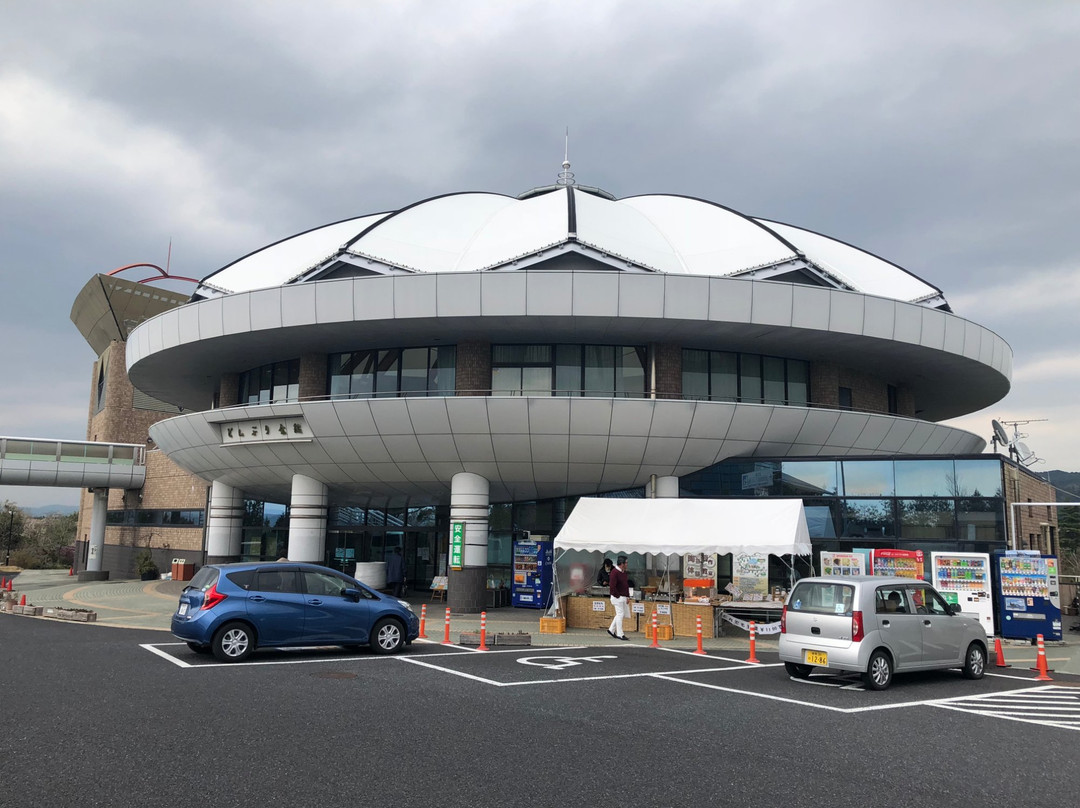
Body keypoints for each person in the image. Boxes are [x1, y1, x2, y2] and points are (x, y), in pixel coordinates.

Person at [607, 555, 630, 640]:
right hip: (617, 597)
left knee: (620, 614)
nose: (627, 564)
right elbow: (612, 586)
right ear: (621, 564)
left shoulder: (623, 573)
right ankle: (620, 634)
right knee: (620, 614)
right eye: (626, 563)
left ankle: (611, 629)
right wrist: (618, 596)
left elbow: (626, 585)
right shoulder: (614, 572)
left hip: (622, 596)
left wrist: (627, 596)